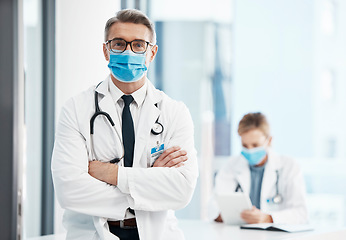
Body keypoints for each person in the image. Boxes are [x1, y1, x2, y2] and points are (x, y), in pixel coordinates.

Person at [51, 9, 198, 240]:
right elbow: (69, 190)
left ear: (152, 53)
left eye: (139, 45)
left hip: (158, 233)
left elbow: (182, 190)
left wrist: (111, 174)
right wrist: (148, 184)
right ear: (106, 50)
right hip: (91, 233)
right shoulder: (76, 109)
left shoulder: (174, 112)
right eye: (119, 43)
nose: (128, 51)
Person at [212, 112, 307, 224]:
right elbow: (213, 205)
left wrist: (268, 218)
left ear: (269, 140)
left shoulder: (289, 166)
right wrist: (221, 214)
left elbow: (301, 213)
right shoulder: (232, 166)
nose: (250, 150)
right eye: (245, 145)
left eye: (255, 145)